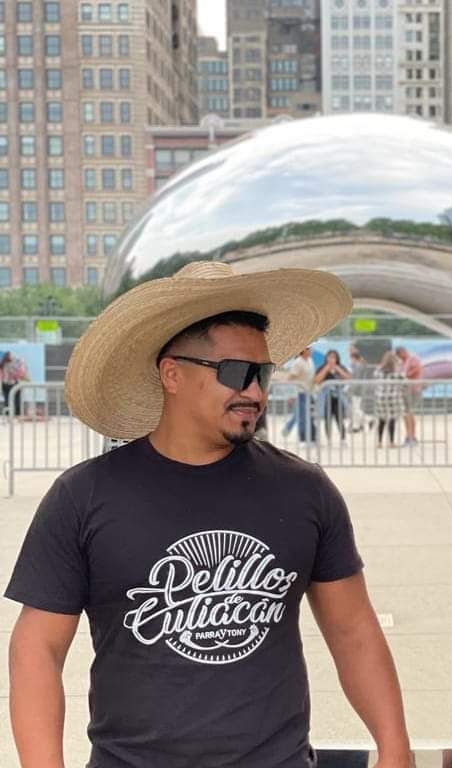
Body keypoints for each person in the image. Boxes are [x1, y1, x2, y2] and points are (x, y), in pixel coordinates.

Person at [5, 261, 411, 768]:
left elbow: (353, 631)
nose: (257, 393)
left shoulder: (305, 492)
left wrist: (396, 749)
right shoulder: (84, 497)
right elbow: (37, 649)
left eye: (263, 373)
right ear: (171, 374)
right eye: (237, 373)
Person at [314, 349, 351, 443]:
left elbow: (348, 377)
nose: (331, 359)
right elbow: (317, 380)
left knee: (340, 418)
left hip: (338, 398)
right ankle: (329, 438)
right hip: (326, 398)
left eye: (334, 357)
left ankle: (343, 438)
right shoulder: (322, 367)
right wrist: (327, 368)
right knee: (327, 419)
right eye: (329, 357)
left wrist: (336, 368)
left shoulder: (341, 367)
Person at [373, 351, 406, 448]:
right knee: (392, 420)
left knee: (381, 420)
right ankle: (391, 442)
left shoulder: (379, 370)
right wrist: (399, 364)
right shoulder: (397, 371)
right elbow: (404, 379)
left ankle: (379, 442)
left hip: (381, 397)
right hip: (393, 398)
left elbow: (375, 376)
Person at [285, 346, 316, 442]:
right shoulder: (298, 362)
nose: (310, 350)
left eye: (310, 349)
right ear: (303, 350)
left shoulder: (310, 360)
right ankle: (302, 438)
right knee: (302, 417)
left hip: (309, 392)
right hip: (300, 393)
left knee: (300, 415)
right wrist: (290, 394)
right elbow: (290, 378)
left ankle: (286, 429)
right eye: (308, 349)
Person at [395, 345, 422, 446]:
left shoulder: (413, 359)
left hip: (413, 390)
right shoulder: (402, 362)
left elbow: (417, 369)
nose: (400, 357)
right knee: (406, 414)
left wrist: (405, 376)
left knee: (409, 413)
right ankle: (408, 435)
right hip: (405, 391)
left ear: (403, 352)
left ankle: (412, 436)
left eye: (400, 354)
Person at [1, 351, 29, 417]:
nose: (13, 356)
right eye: (12, 355)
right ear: (8, 357)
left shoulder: (3, 364)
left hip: (5, 384)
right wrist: (23, 364)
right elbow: (16, 374)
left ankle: (8, 415)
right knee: (17, 401)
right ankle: (17, 414)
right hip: (12, 384)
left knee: (7, 401)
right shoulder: (11, 364)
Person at [348, 345, 368, 432]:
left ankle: (368, 419)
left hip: (357, 389)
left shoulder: (357, 366)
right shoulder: (358, 365)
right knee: (355, 407)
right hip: (358, 389)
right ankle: (356, 426)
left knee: (356, 408)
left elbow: (356, 378)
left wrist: (351, 390)